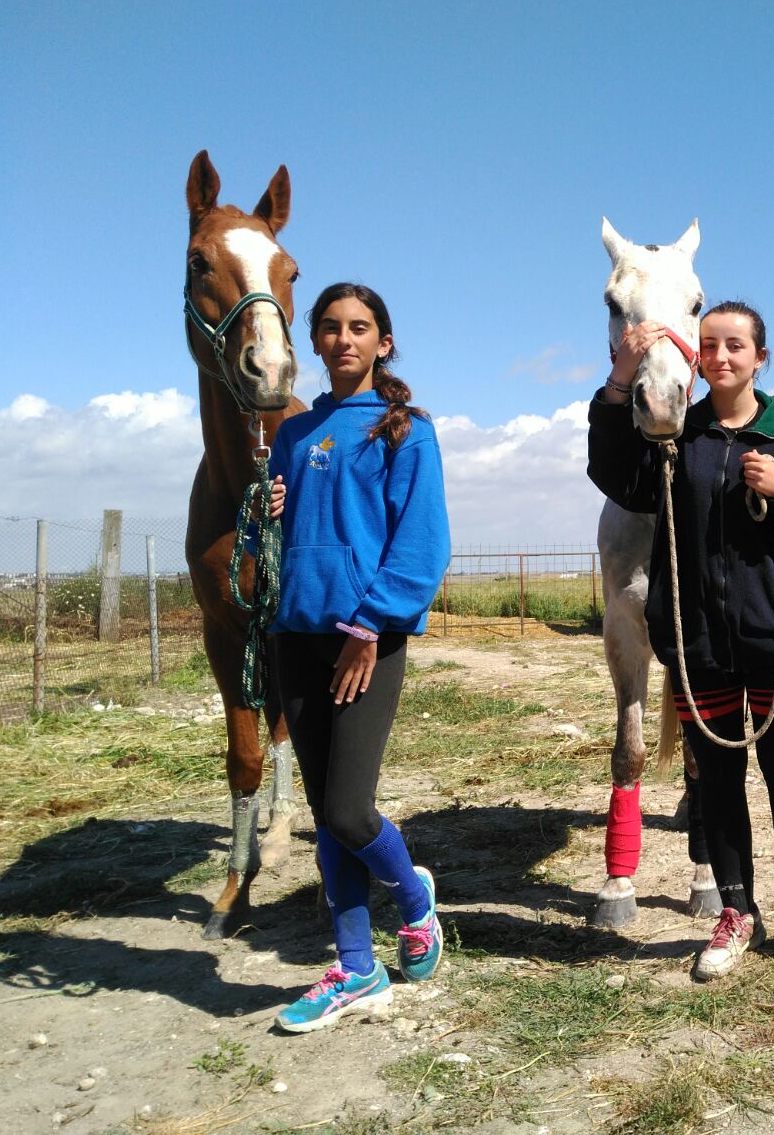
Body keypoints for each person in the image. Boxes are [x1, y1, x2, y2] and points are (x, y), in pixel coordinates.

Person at [588, 301, 774, 981]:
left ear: (761, 357)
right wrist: (620, 381)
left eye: (736, 345)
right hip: (700, 640)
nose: (722, 356)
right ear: (696, 358)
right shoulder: (675, 440)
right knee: (721, 781)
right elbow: (615, 475)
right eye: (710, 345)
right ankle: (735, 912)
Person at [266, 283, 452, 1031]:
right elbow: (289, 539)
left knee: (347, 808)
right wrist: (270, 511)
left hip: (365, 642)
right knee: (322, 812)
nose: (345, 339)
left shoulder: (407, 430)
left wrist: (370, 626)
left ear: (383, 342)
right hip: (295, 636)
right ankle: (355, 967)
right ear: (314, 341)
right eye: (331, 328)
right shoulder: (294, 432)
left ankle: (413, 900)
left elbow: (422, 543)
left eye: (360, 328)